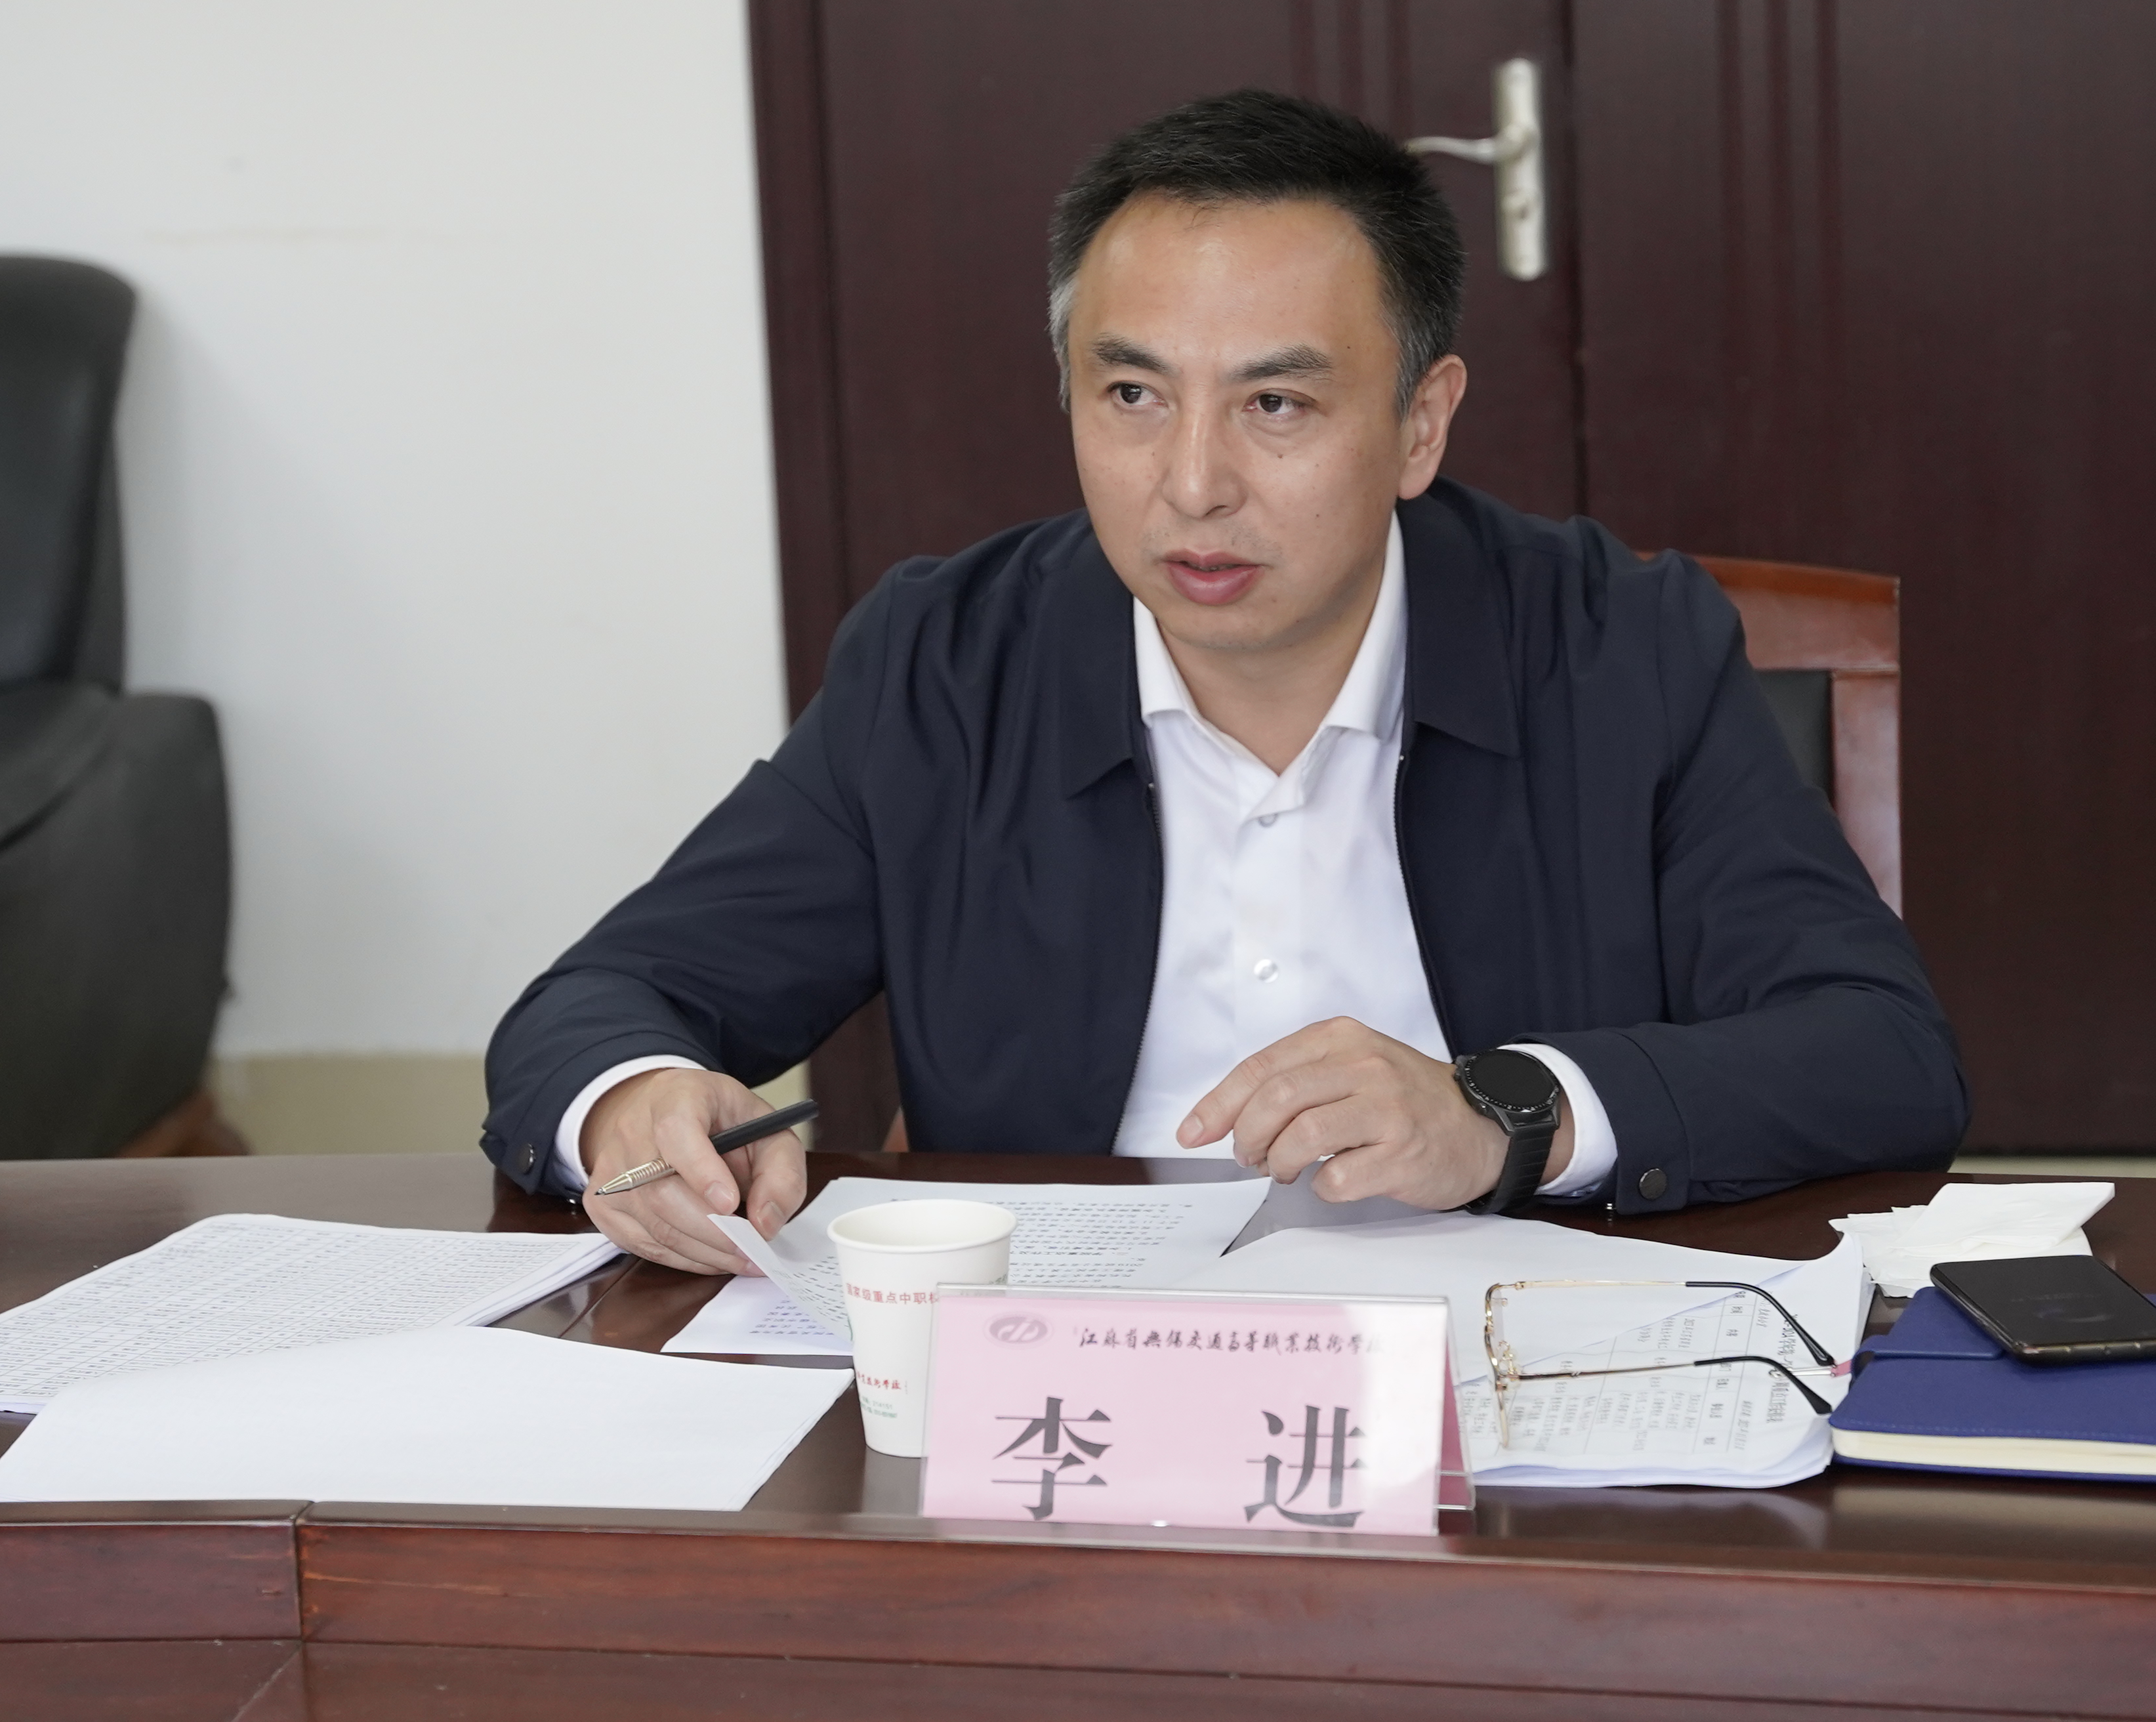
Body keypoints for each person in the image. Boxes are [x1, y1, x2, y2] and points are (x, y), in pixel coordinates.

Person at [481, 90, 1966, 1275]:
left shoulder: (1617, 644)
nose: (1192, 484)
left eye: (1277, 403)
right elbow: (606, 1001)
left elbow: (1881, 1052)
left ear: (1421, 424)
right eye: (1132, 394)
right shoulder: (946, 660)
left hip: (1512, 1381)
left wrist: (1502, 1112)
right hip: (1061, 1404)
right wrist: (634, 1102)